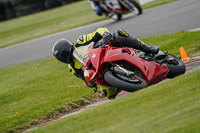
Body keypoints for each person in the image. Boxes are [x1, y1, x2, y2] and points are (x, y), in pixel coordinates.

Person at [52, 27, 159, 100]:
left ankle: (146, 47)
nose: (64, 58)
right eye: (61, 58)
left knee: (118, 34)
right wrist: (89, 83)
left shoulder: (81, 41)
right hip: (100, 71)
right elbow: (84, 78)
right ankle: (129, 80)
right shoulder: (72, 68)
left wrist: (105, 34)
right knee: (108, 94)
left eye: (64, 55)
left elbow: (99, 31)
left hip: (105, 51)